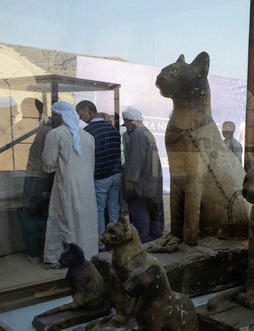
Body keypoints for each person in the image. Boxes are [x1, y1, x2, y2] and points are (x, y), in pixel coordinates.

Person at [42, 101, 98, 269]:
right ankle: (86, 255)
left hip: (65, 185)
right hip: (87, 187)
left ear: (58, 116)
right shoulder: (88, 137)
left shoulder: (55, 134)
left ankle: (58, 258)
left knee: (62, 220)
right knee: (84, 221)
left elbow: (48, 164)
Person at [75, 100, 122, 250]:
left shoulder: (88, 131)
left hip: (100, 176)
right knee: (114, 208)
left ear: (89, 111)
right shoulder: (113, 129)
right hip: (116, 174)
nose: (80, 117)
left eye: (80, 113)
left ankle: (102, 242)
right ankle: (116, 240)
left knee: (99, 210)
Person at [121, 107, 164, 243]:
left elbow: (136, 159)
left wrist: (130, 180)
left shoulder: (138, 134)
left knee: (139, 209)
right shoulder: (146, 132)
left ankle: (142, 239)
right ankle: (152, 236)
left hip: (140, 182)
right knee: (150, 209)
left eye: (126, 123)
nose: (126, 127)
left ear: (130, 122)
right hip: (150, 180)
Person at [17, 98, 52, 262]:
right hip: (43, 177)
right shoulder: (46, 131)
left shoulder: (19, 128)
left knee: (29, 214)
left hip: (32, 177)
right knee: (42, 215)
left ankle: (34, 252)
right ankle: (43, 250)